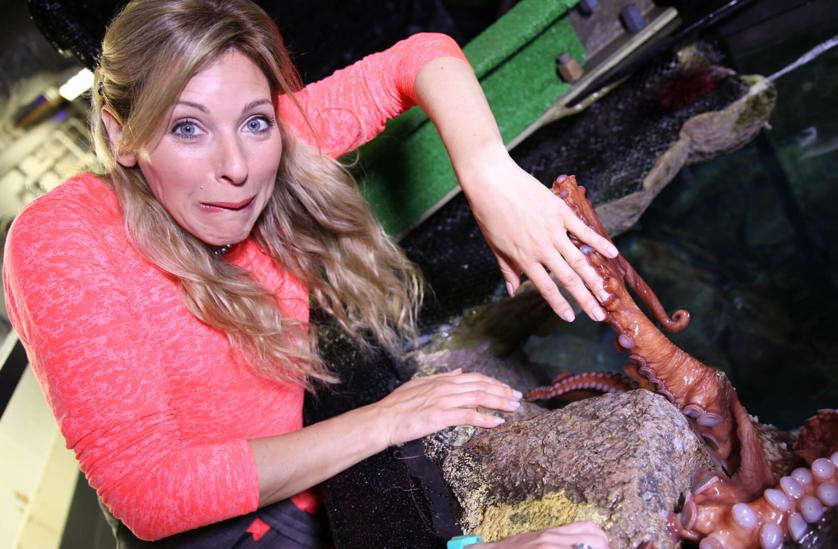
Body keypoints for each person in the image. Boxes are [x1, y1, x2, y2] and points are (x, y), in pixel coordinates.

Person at [2, 0, 614, 547]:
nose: (237, 166)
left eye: (255, 121)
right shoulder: (62, 240)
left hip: (310, 465)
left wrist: (490, 174)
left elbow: (422, 57)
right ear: (120, 134)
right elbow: (151, 493)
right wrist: (389, 419)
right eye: (187, 128)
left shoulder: (272, 140)